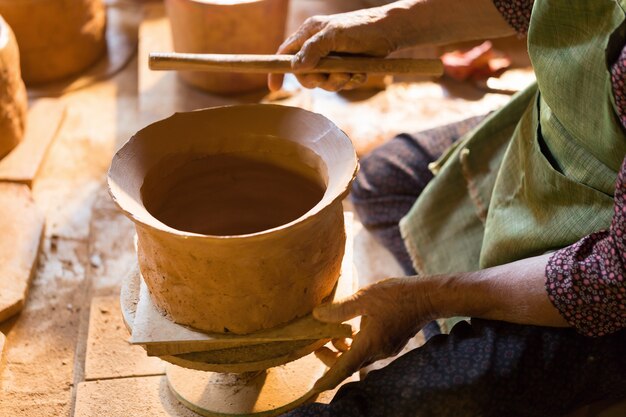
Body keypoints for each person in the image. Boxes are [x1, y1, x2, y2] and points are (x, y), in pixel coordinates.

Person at [267, 1, 626, 416]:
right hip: (566, 139)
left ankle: (491, 331)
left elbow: (612, 279)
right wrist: (383, 26)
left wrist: (427, 300)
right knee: (382, 182)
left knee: (404, 400)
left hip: (609, 284)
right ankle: (484, 317)